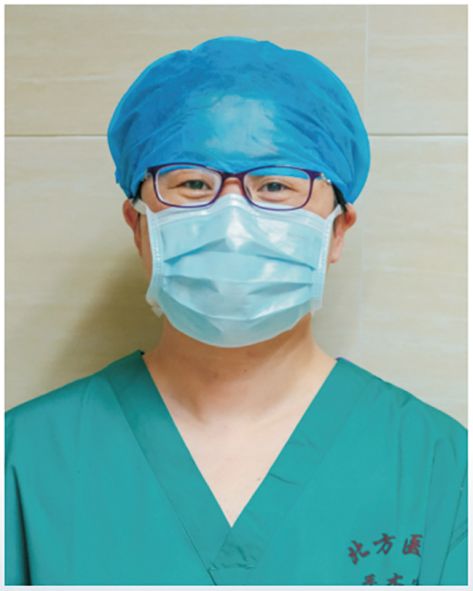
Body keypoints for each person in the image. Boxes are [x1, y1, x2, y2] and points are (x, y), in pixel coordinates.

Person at [5, 36, 467, 586]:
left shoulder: (437, 466)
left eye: (275, 186)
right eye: (192, 184)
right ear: (139, 226)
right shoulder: (27, 459)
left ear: (337, 231)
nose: (232, 224)